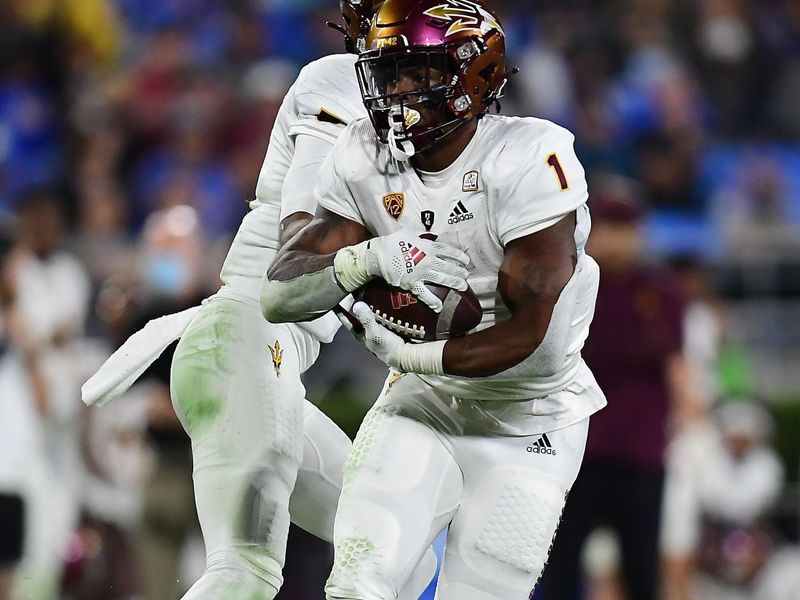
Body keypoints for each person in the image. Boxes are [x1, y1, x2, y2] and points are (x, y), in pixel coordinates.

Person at [83, 2, 435, 598]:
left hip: (269, 365)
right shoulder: (341, 84)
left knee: (400, 549)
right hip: (242, 341)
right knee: (244, 570)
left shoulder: (408, 134)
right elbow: (299, 248)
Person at [261, 0, 606, 597]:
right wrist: (364, 260)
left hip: (531, 417)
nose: (396, 91)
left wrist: (410, 357)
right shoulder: (362, 153)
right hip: (425, 403)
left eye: (417, 73)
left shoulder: (528, 158)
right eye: (387, 73)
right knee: (357, 583)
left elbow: (528, 334)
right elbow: (281, 290)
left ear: (472, 76)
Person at [541, 185, 690, 600]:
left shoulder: (662, 293)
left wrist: (693, 423)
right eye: (609, 225)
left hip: (640, 453)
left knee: (642, 571)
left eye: (626, 227)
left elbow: (677, 366)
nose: (618, 237)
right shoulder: (569, 286)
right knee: (558, 569)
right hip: (575, 452)